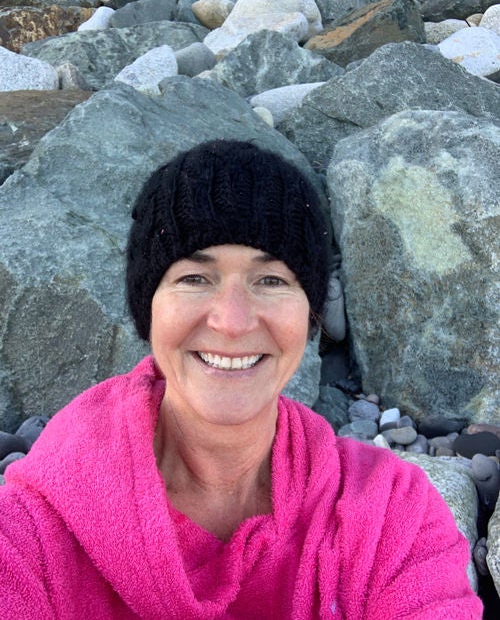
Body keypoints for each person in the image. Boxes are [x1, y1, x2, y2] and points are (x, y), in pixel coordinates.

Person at [0, 140, 482, 618]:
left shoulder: (392, 512)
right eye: (194, 278)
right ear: (148, 308)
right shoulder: (30, 530)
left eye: (270, 280)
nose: (232, 322)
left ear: (310, 313)